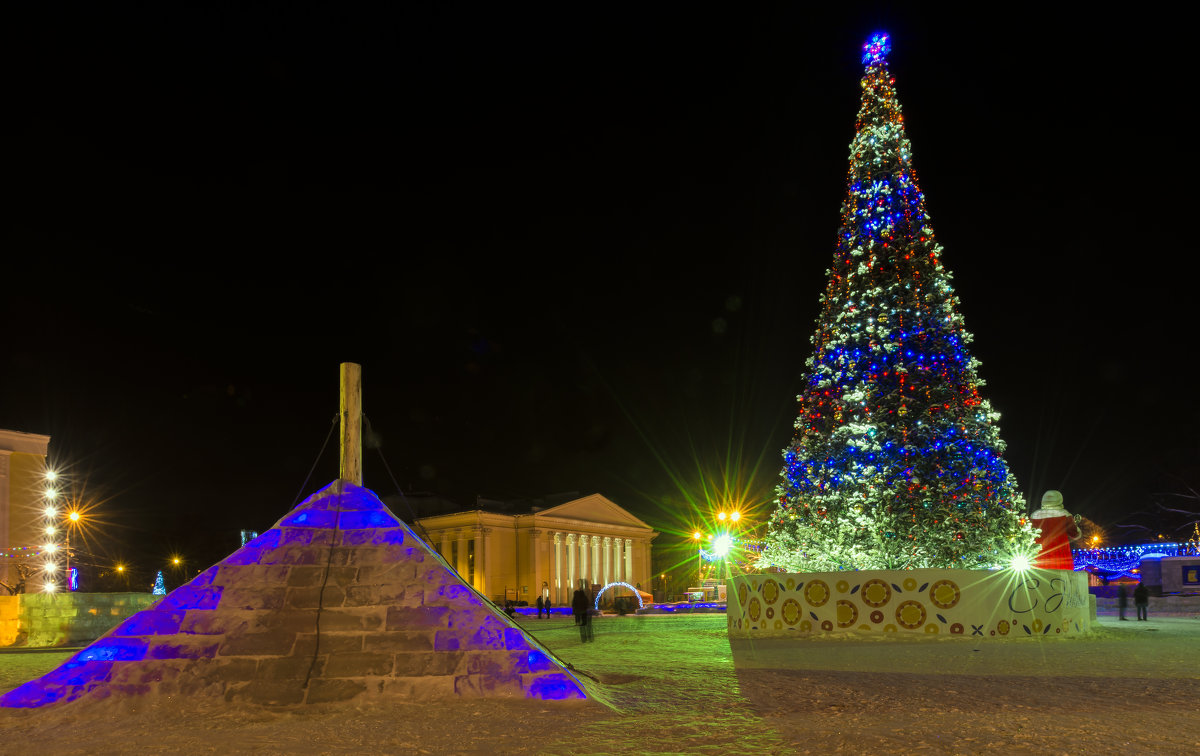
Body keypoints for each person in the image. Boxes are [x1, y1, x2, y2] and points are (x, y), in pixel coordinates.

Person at [1030, 490, 1081, 570]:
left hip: (1039, 557)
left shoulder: (1034, 515)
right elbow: (1074, 534)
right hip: (1060, 557)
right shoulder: (1065, 514)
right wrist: (1076, 526)